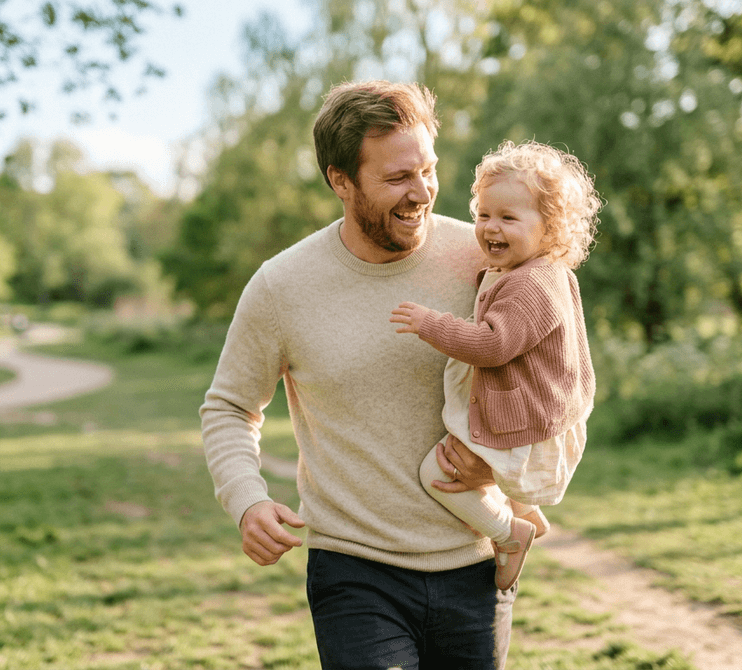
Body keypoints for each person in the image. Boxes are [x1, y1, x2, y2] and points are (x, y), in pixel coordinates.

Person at [201, 80, 516, 669]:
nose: (421, 192)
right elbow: (229, 407)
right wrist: (247, 500)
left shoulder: (484, 257)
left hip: (473, 562)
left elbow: (557, 372)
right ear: (340, 180)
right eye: (397, 178)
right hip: (353, 570)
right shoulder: (282, 285)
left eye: (428, 170)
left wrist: (501, 459)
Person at [389, 139, 600, 592]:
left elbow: (492, 345)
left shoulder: (532, 285)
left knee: (438, 473)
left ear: (550, 228)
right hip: (531, 409)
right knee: (473, 469)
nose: (489, 228)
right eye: (483, 215)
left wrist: (432, 324)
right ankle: (526, 512)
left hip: (521, 414)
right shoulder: (535, 271)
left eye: (508, 218)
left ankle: (510, 533)